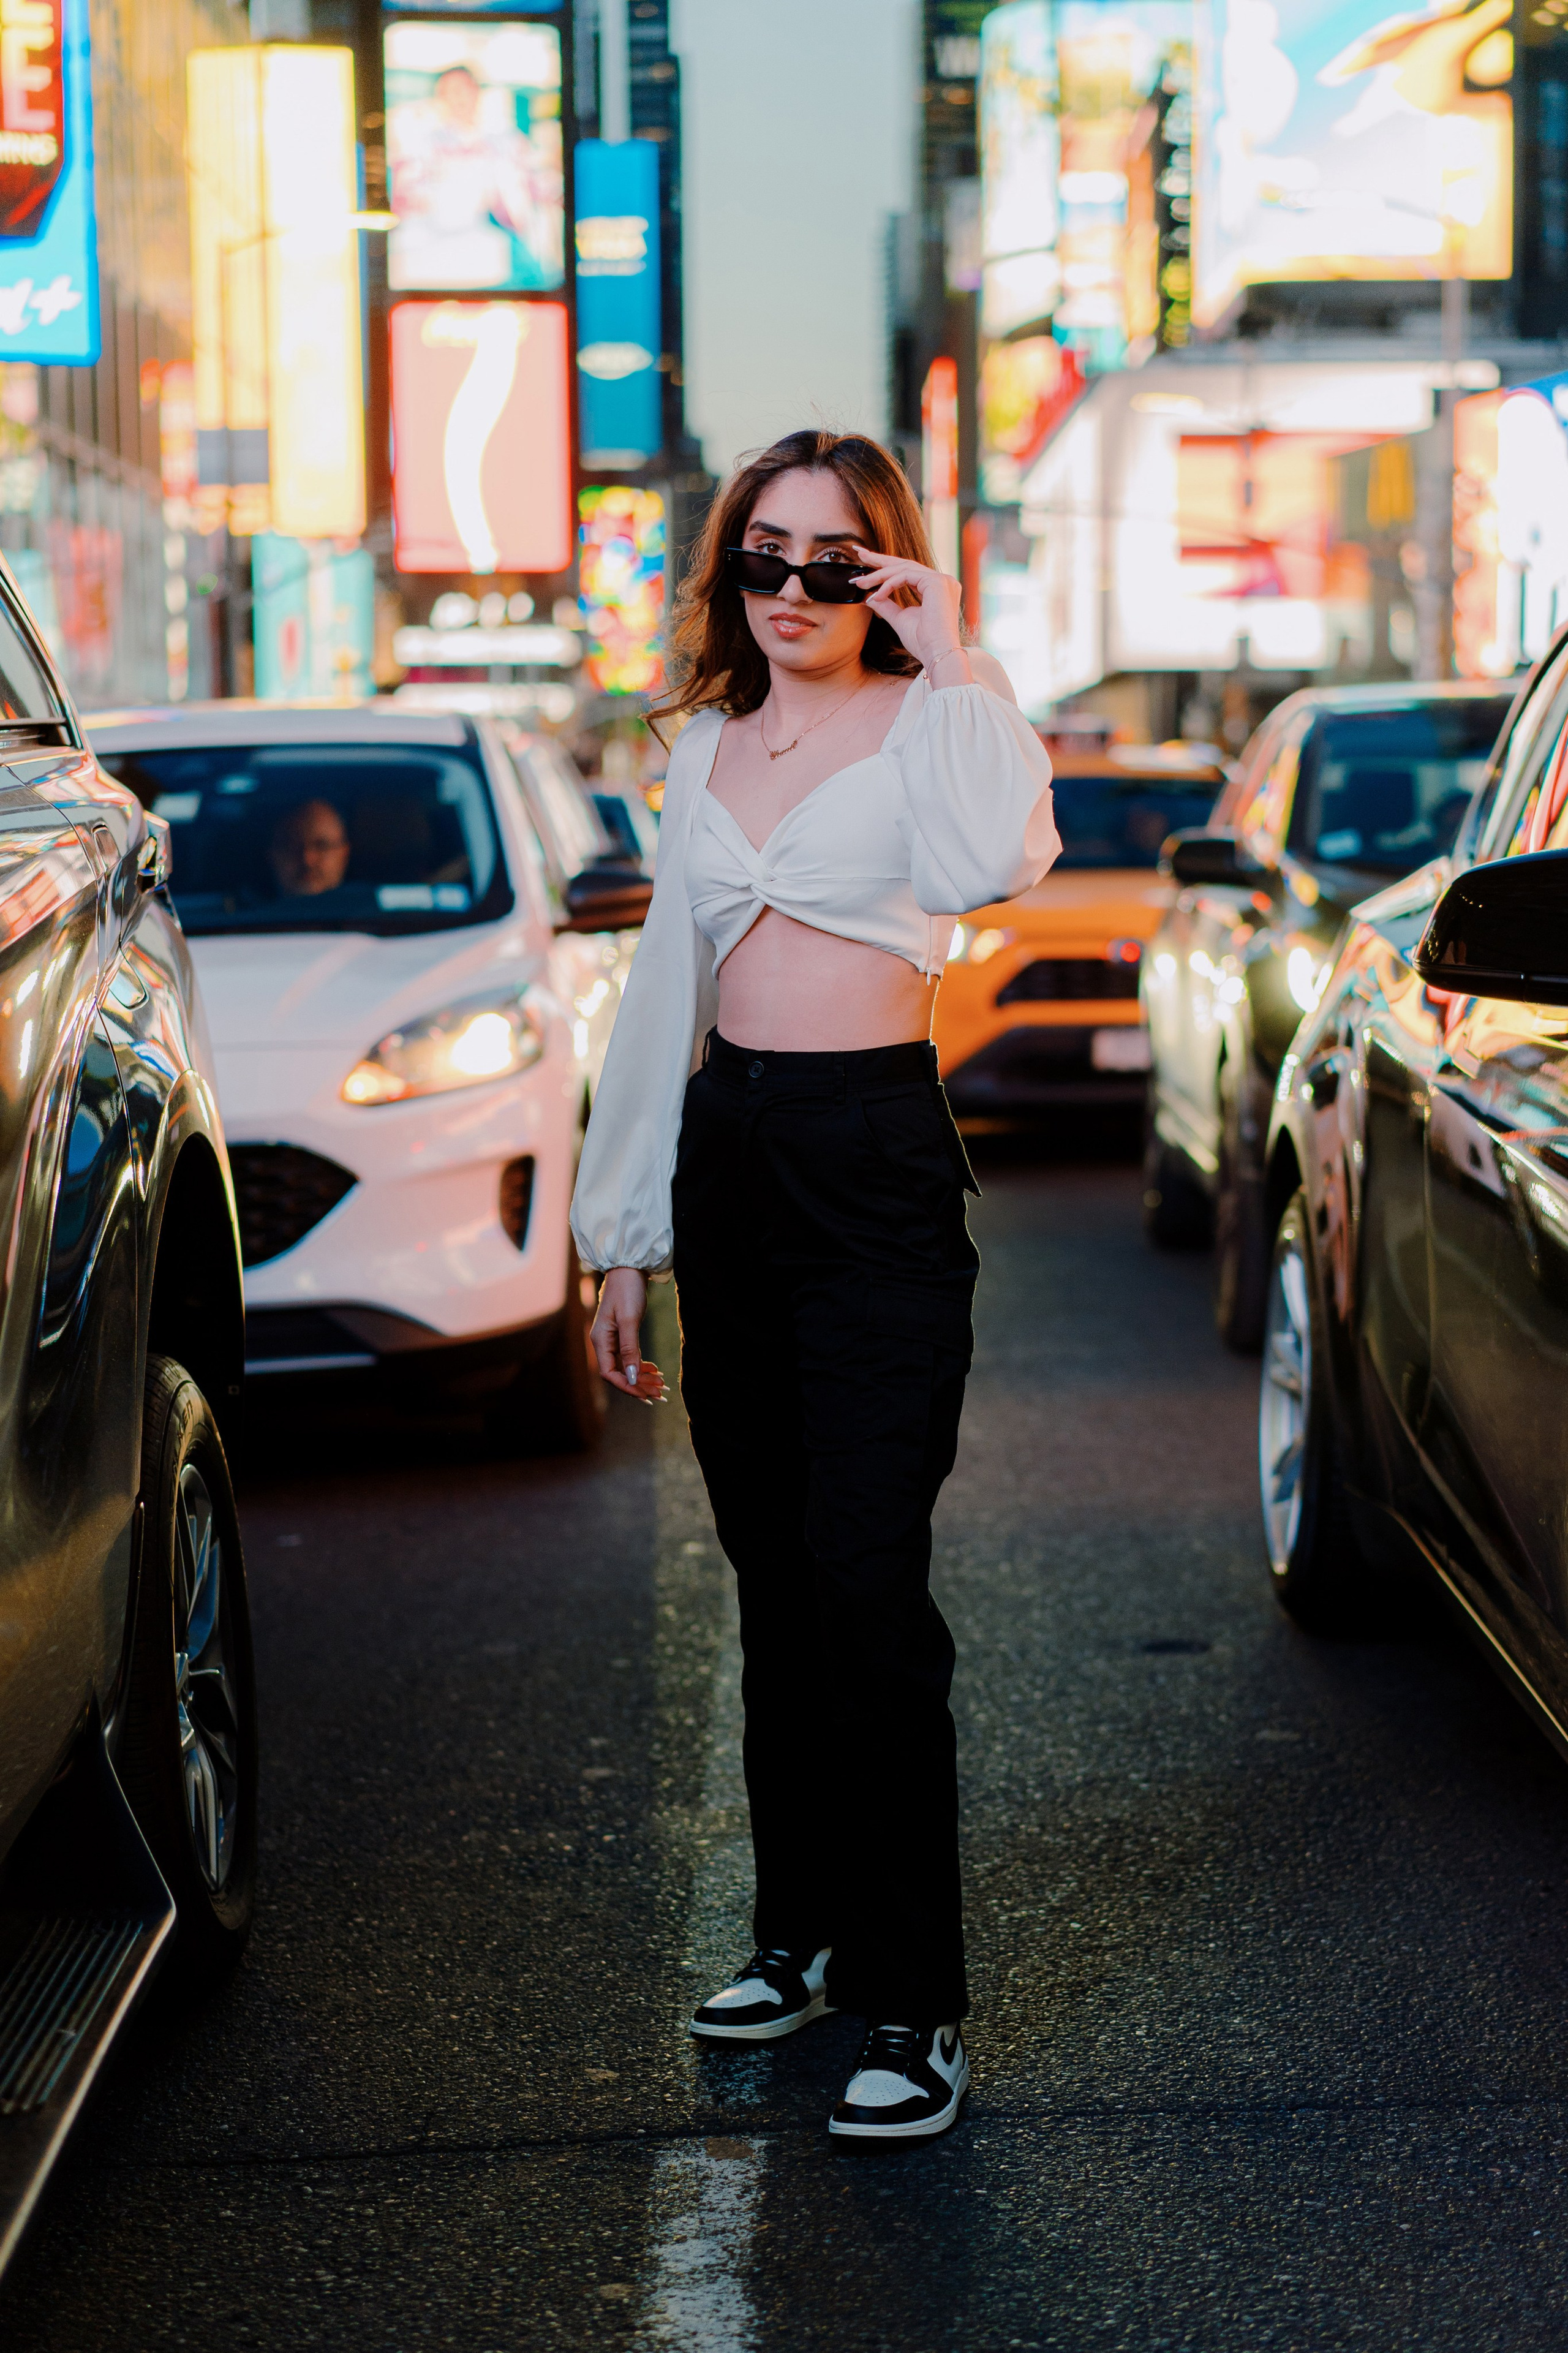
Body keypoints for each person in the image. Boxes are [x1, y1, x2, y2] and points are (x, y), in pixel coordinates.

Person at [570, 429, 1058, 2143]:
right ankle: (798, 1933)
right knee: (774, 1580)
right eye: (765, 558)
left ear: (886, 569)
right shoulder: (703, 748)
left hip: (873, 1168)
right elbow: (660, 997)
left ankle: (913, 2003)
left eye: (834, 561)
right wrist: (623, 1234)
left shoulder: (939, 725)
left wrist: (955, 643)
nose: (793, 591)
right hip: (731, 1161)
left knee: (866, 1579)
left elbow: (1001, 857)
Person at [270, 799, 350, 898]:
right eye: (293, 846)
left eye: (322, 846)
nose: (307, 860)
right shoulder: (249, 912)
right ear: (272, 855)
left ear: (345, 853)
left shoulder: (372, 906)